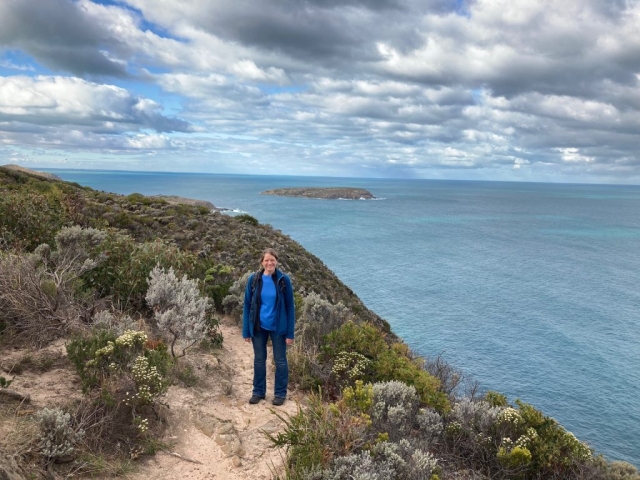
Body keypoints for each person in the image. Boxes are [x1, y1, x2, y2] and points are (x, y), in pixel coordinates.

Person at [242, 248, 295, 406]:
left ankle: (280, 393)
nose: (269, 263)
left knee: (280, 361)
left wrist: (290, 333)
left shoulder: (283, 280)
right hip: (259, 327)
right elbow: (246, 305)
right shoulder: (254, 279)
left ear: (276, 261)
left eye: (272, 260)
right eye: (266, 260)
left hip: (278, 327)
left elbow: (290, 307)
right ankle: (258, 392)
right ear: (262, 262)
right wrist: (246, 330)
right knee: (259, 360)